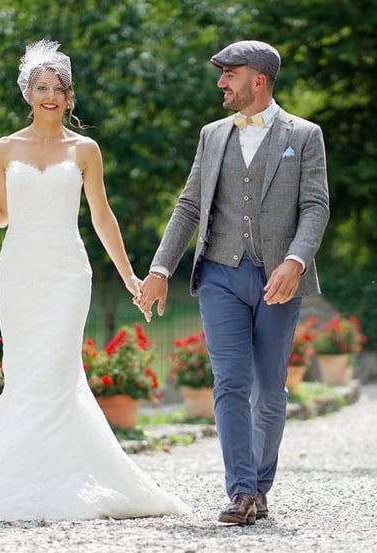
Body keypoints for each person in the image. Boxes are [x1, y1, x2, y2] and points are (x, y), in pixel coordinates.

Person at [0, 39, 187, 522]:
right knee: (23, 372)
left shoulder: (85, 149)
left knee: (59, 371)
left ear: (69, 97)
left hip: (68, 273)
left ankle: (70, 481)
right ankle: (11, 478)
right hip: (19, 272)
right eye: (41, 87)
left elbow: (103, 217)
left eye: (58, 88)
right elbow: (1, 214)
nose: (50, 96)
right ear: (27, 92)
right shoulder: (4, 148)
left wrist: (129, 274)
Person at [136, 40, 329, 525]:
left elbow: (315, 207)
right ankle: (241, 491)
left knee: (270, 389)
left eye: (230, 73)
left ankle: (261, 485)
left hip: (277, 280)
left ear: (258, 79)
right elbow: (188, 207)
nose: (222, 82)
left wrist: (295, 261)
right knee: (229, 382)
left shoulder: (304, 135)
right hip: (220, 273)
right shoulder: (211, 135)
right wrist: (160, 270)